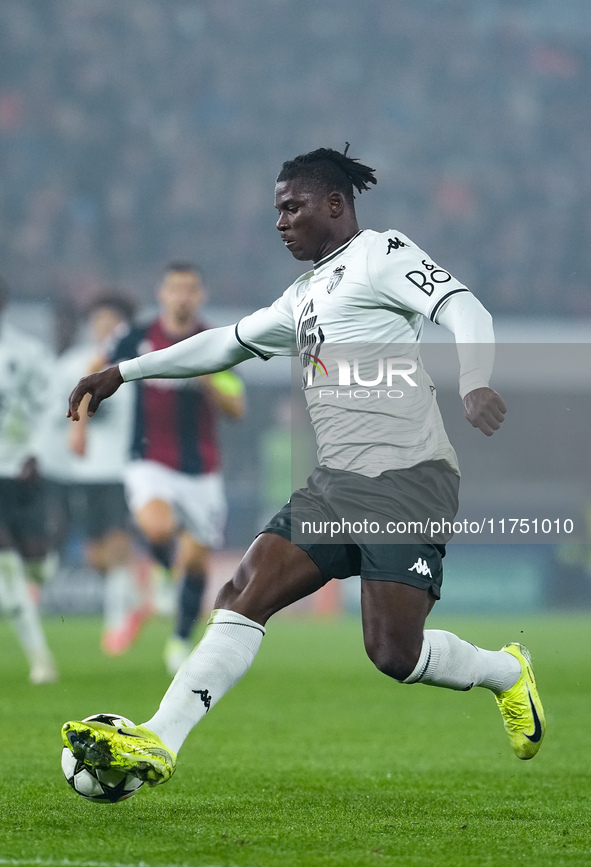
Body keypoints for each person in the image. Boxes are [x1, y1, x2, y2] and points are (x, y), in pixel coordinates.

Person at [62, 146, 544, 788]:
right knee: (242, 593)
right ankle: (159, 739)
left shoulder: (382, 253)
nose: (281, 221)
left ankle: (506, 672)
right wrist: (125, 369)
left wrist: (475, 381)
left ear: (335, 204)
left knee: (392, 652)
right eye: (277, 211)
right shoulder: (302, 296)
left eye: (293, 207)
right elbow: (222, 345)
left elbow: (465, 309)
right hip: (336, 485)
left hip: (407, 480)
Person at [76, 262, 245, 673]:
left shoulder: (214, 342)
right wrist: (78, 424)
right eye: (175, 289)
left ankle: (179, 640)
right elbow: (96, 367)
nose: (183, 297)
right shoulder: (137, 336)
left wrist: (204, 375)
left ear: (200, 296)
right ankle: (163, 580)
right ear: (162, 294)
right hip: (148, 458)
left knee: (199, 561)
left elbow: (236, 408)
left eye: (190, 289)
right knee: (157, 527)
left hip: (202, 468)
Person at [39, 291, 147, 655]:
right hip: (79, 471)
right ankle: (137, 598)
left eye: (113, 321)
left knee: (115, 546)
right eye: (99, 320)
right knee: (95, 555)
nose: (105, 326)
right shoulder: (71, 364)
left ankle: (117, 625)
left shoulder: (134, 363)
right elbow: (53, 411)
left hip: (119, 468)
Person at [0, 276, 58, 684]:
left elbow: (51, 406)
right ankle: (40, 660)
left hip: (22, 472)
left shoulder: (28, 353)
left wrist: (36, 452)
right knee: (7, 566)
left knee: (39, 568)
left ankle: (33, 578)